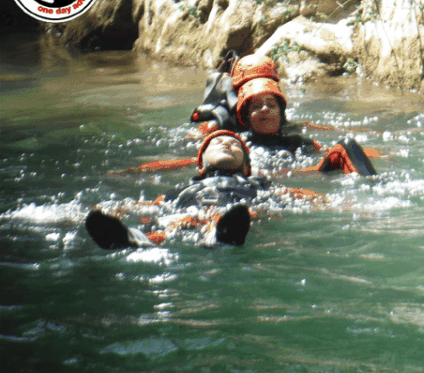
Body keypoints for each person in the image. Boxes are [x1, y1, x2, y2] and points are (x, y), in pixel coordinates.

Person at [86, 130, 320, 249]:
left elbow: (299, 195)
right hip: (189, 216)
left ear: (247, 167)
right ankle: (134, 238)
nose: (226, 143)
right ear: (200, 163)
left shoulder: (257, 183)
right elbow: (152, 208)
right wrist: (114, 209)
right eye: (216, 143)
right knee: (174, 225)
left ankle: (219, 234)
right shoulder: (182, 189)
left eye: (235, 145)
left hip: (239, 216)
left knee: (244, 213)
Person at [189, 52, 379, 176]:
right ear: (245, 114)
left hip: (294, 173)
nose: (265, 109)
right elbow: (201, 155)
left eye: (271, 104)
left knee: (348, 146)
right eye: (256, 106)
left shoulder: (296, 139)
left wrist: (380, 152)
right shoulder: (230, 137)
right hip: (262, 180)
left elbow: (325, 148)